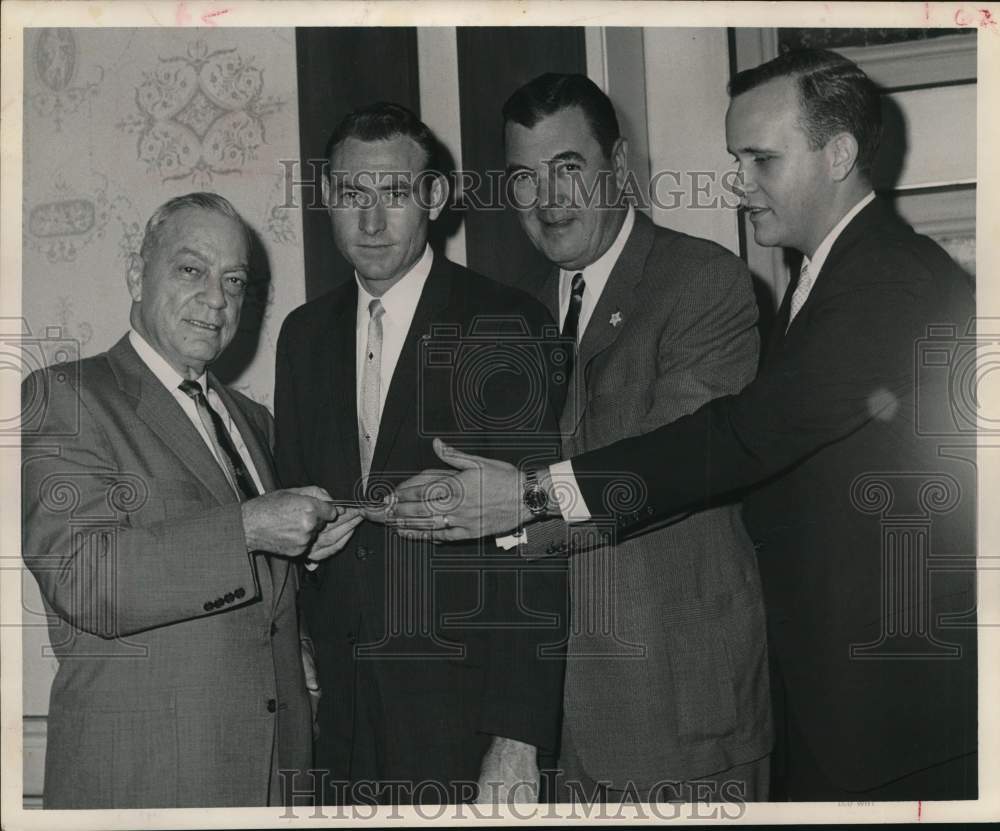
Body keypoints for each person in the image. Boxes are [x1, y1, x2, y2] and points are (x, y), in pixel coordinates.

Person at [383, 50, 978, 801]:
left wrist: (528, 496)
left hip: (862, 724)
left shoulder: (873, 278)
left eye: (761, 158)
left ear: (839, 154)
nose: (738, 182)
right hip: (614, 729)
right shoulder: (814, 275)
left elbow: (733, 440)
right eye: (524, 178)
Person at [21, 192, 362, 808]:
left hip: (276, 778)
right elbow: (82, 576)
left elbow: (263, 604)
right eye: (191, 269)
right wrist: (249, 530)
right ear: (136, 271)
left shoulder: (253, 420)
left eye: (235, 280)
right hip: (147, 783)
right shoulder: (65, 397)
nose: (217, 298)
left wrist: (304, 557)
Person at [273, 102, 566, 805]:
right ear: (326, 198)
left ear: (434, 197)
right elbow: (293, 517)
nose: (371, 223)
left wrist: (517, 735)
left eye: (395, 194)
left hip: (463, 716)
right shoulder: (303, 336)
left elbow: (536, 538)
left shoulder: (504, 321)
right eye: (352, 195)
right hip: (338, 718)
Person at [492, 73, 771, 802]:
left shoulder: (703, 282)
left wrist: (507, 511)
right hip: (549, 732)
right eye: (524, 178)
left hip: (679, 725)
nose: (547, 200)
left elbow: (666, 468)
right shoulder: (508, 311)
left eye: (568, 169)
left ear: (618, 167)